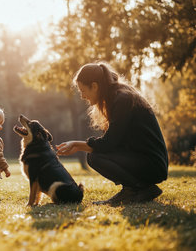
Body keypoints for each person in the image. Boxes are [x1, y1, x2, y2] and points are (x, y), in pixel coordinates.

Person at [56, 62, 168, 205]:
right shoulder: (116, 98)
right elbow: (115, 143)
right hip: (144, 160)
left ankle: (141, 189)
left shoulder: (122, 99)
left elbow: (109, 143)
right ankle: (132, 189)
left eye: (83, 90)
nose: (82, 96)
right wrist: (79, 146)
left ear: (95, 86)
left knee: (94, 157)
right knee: (94, 156)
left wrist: (77, 144)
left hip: (152, 165)